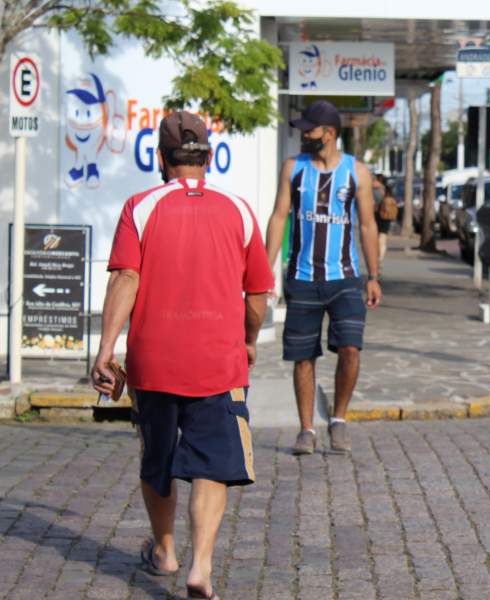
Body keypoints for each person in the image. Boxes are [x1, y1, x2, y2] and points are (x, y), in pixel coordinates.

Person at [91, 111, 274, 600]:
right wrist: (250, 337)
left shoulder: (140, 206)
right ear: (208, 157)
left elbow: (125, 278)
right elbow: (257, 293)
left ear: (160, 158)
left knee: (158, 457)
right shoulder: (238, 210)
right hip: (218, 359)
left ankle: (165, 549)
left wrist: (107, 350)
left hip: (154, 359)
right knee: (212, 464)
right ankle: (201, 568)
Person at [265, 100, 382, 456]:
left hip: (345, 277)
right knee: (304, 356)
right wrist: (264, 271)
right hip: (301, 277)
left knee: (350, 348)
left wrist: (373, 276)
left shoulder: (356, 172)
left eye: (309, 129)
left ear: (328, 134)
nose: (303, 134)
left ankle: (339, 420)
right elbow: (279, 217)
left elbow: (366, 224)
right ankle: (306, 430)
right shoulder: (293, 168)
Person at [373, 174, 398, 267]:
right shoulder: (387, 190)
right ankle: (380, 258)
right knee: (382, 238)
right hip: (386, 216)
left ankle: (376, 256)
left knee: (376, 237)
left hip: (375, 215)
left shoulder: (372, 189)